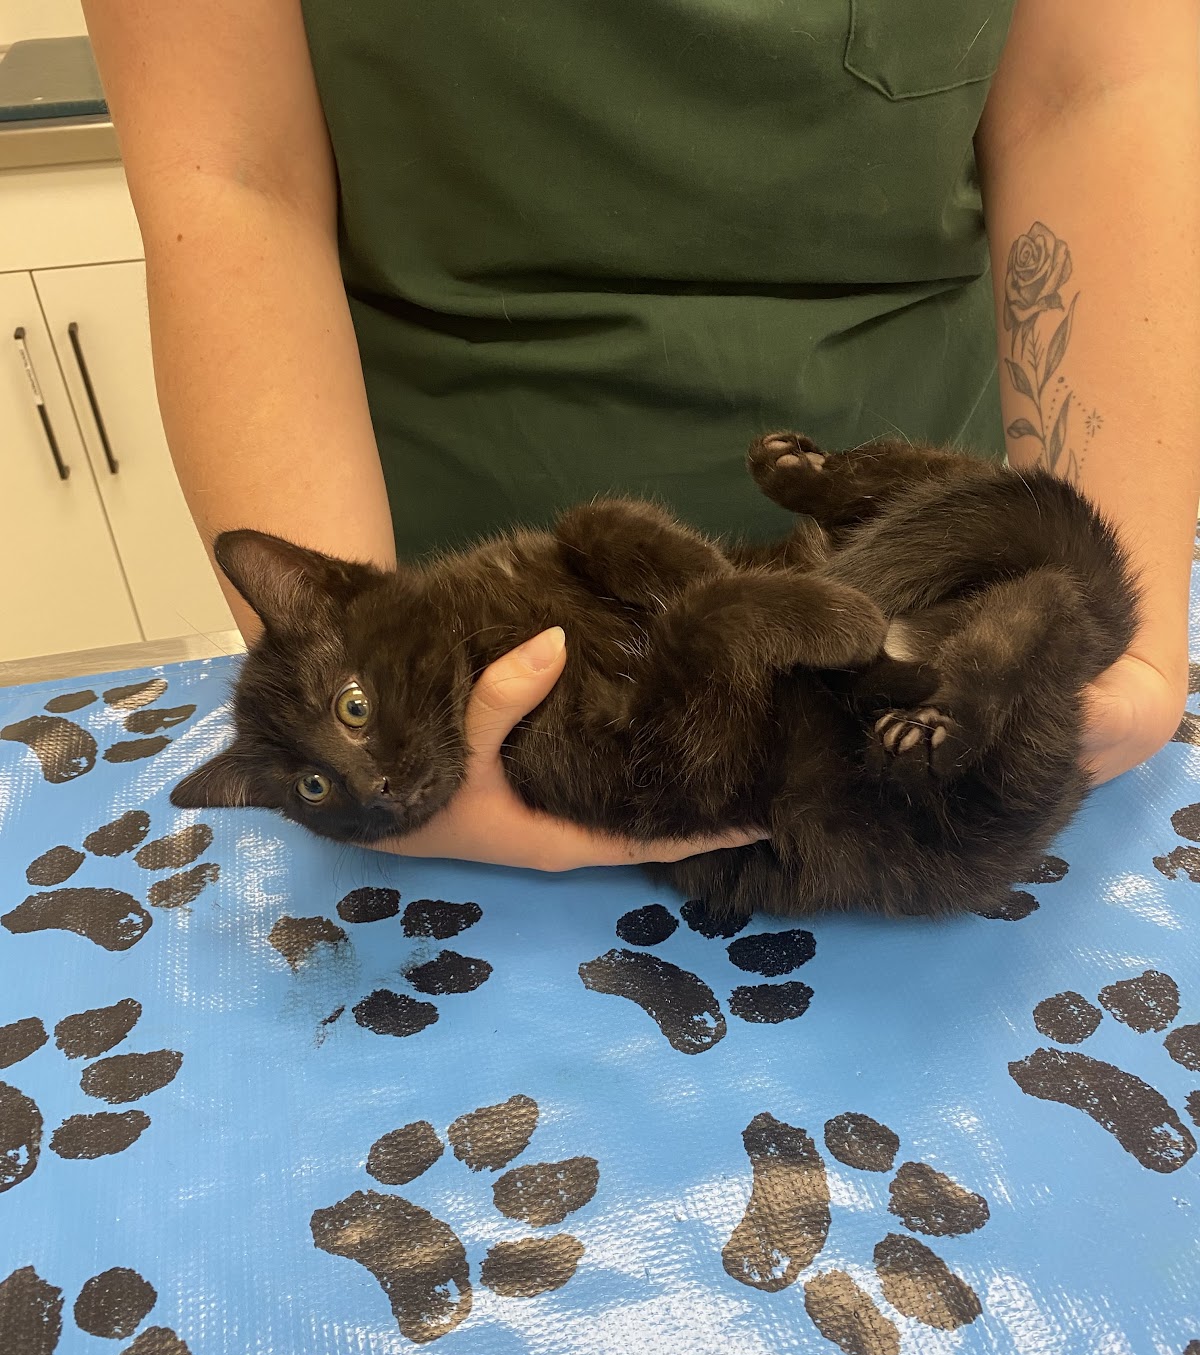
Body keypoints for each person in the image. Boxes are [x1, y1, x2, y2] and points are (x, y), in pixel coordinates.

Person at [83, 0, 1199, 871]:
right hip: (524, 709)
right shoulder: (401, 705)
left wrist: (1138, 657)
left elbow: (1095, 97)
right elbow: (233, 175)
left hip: (898, 570)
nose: (363, 780)